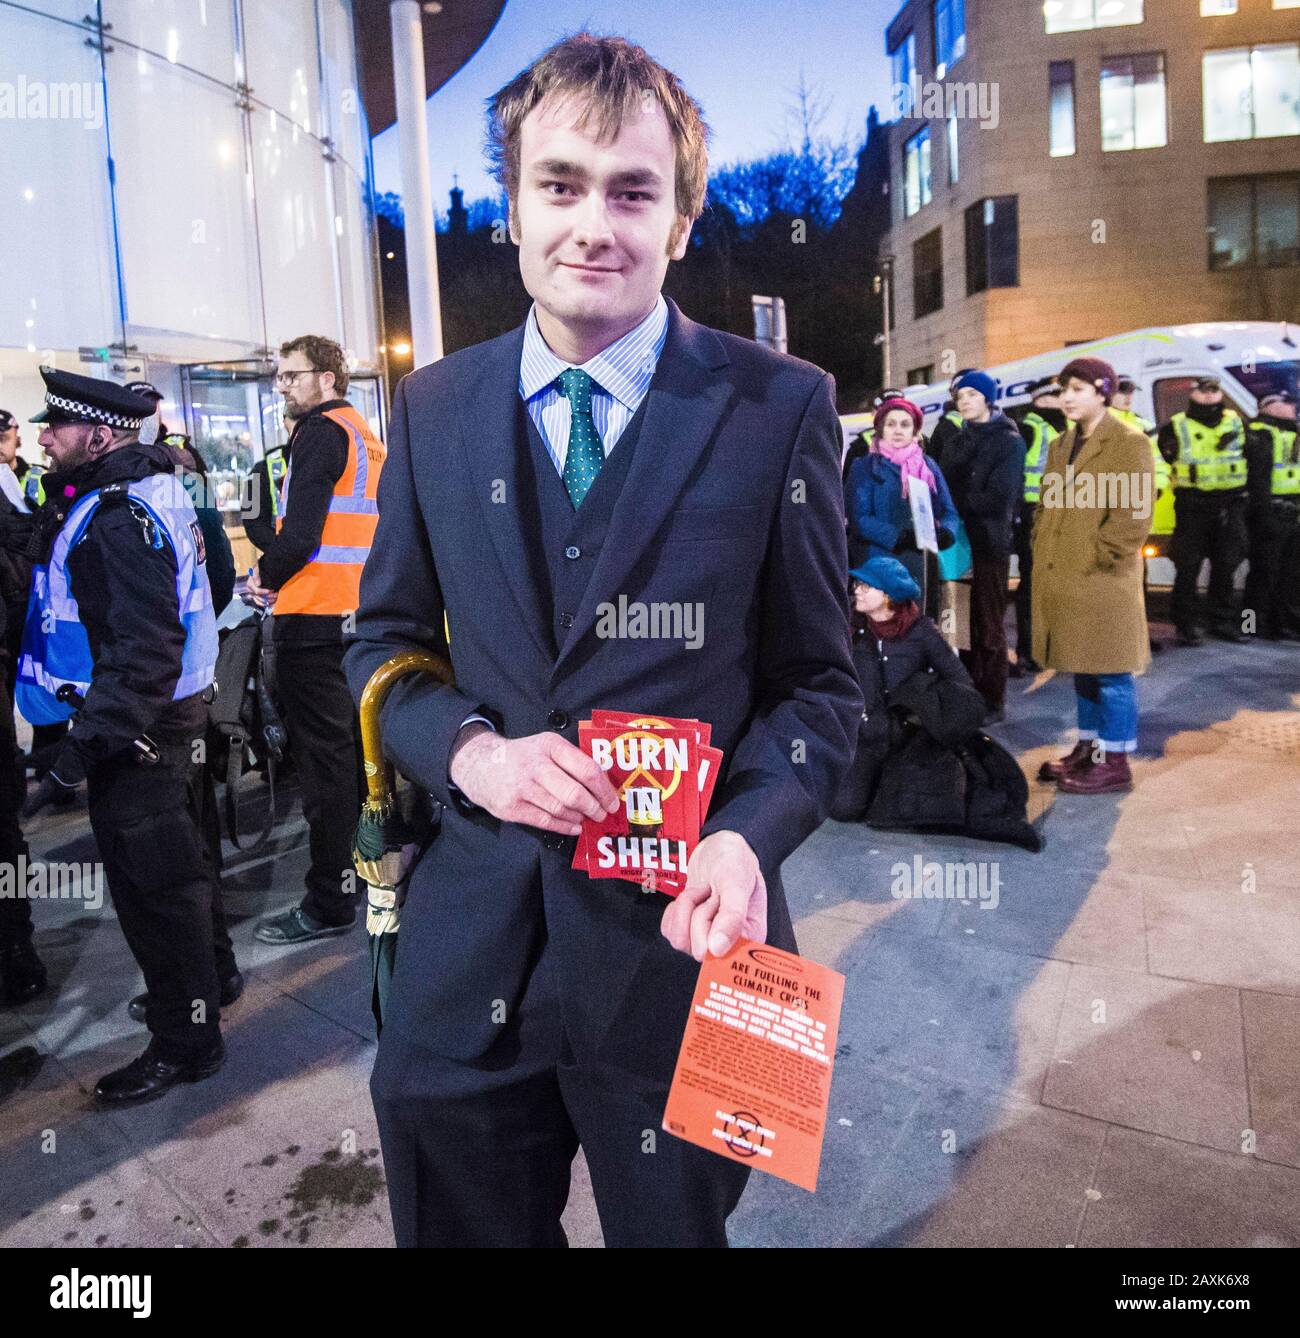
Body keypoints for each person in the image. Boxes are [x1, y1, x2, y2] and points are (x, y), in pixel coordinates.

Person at [343, 32, 860, 1249]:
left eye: (633, 192)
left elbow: (825, 690)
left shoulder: (777, 405)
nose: (594, 225)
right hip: (471, 953)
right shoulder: (433, 407)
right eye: (559, 185)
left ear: (680, 220)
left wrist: (746, 836)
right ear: (512, 209)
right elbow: (379, 644)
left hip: (691, 949)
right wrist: (473, 754)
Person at [17, 367, 234, 1103]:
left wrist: (75, 759)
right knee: (182, 875)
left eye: (56, 426)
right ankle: (208, 988)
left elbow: (142, 653)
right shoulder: (147, 486)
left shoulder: (114, 516)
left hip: (135, 737)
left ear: (100, 436)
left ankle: (186, 1043)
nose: (43, 436)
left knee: (155, 896)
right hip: (166, 723)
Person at [247, 336, 383, 946]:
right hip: (356, 617)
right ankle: (367, 874)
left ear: (327, 378)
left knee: (325, 773)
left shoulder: (320, 433)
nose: (282, 387)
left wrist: (262, 577)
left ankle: (330, 901)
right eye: (278, 378)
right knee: (355, 763)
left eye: (290, 376)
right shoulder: (364, 434)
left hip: (314, 620)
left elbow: (301, 532)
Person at [830, 557, 1039, 849]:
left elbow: (960, 682)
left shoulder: (921, 632)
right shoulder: (854, 629)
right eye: (858, 584)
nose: (858, 591)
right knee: (843, 808)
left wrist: (925, 703)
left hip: (904, 735)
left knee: (915, 803)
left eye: (867, 585)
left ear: (888, 594)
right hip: (864, 734)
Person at [1033, 358, 1152, 794]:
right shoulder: (1060, 444)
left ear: (1103, 392)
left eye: (1078, 389)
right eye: (1064, 389)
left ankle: (1114, 761)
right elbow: (1048, 502)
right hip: (1063, 573)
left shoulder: (1128, 442)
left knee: (1112, 671)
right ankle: (1088, 749)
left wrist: (1102, 557)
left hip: (1102, 578)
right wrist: (1041, 541)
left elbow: (1134, 515)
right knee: (1083, 666)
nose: (1067, 397)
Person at [940, 369, 1025, 720]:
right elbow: (941, 484)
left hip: (988, 544)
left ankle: (992, 698)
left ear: (988, 399)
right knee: (959, 620)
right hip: (957, 542)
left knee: (989, 624)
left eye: (972, 395)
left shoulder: (1008, 440)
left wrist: (956, 499)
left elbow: (999, 498)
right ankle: (966, 693)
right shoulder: (958, 440)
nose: (965, 403)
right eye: (960, 398)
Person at [125, 382, 235, 616]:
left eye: (153, 405)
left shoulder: (180, 450)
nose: (150, 411)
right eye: (142, 404)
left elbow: (205, 508)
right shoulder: (118, 463)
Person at [844, 394, 957, 613]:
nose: (898, 430)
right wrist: (898, 537)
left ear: (915, 431)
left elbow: (948, 510)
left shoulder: (928, 465)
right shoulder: (865, 466)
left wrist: (947, 533)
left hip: (920, 561)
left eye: (905, 425)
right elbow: (859, 517)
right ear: (881, 428)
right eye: (891, 424)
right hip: (879, 561)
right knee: (885, 626)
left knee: (917, 624)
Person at [1158, 376, 1248, 645]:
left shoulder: (1237, 423)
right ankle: (1186, 625)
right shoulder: (1176, 426)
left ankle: (1222, 622)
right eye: (1203, 390)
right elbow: (1165, 462)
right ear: (1192, 393)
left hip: (1230, 505)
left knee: (1226, 565)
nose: (1209, 396)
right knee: (1188, 567)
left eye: (1214, 390)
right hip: (1192, 506)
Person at [1010, 378, 1064, 675]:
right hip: (1035, 513)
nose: (1062, 399)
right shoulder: (1028, 428)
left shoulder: (1063, 427)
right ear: (1041, 400)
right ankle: (1029, 650)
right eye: (1056, 395)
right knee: (1034, 583)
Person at [1243, 391, 1300, 641]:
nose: (1292, 407)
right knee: (1263, 573)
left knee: (1288, 573)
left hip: (1292, 511)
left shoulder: (1291, 432)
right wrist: (1263, 514)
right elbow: (1257, 479)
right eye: (1285, 403)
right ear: (1269, 407)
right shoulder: (1259, 433)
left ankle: (1280, 623)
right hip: (1269, 513)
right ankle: (1251, 625)